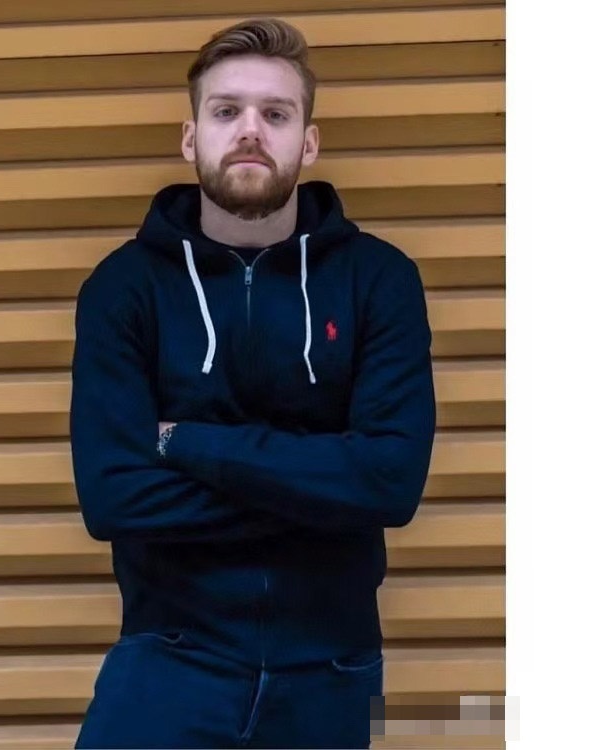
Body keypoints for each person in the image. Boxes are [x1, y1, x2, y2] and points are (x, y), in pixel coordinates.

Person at [69, 17, 435, 749]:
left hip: (331, 667)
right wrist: (322, 486)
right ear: (190, 137)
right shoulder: (124, 288)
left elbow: (390, 483)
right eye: (226, 110)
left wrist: (186, 444)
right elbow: (112, 497)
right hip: (169, 658)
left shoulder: (378, 280)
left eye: (276, 114)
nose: (249, 131)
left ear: (308, 142)